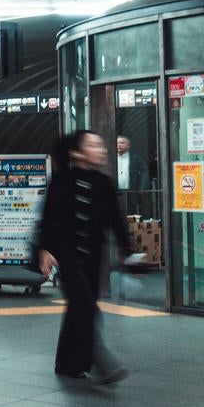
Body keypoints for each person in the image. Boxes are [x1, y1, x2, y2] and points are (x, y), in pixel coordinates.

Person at [37, 129, 141, 383]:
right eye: (93, 145)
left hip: (94, 257)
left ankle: (67, 363)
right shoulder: (62, 181)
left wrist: (128, 252)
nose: (102, 150)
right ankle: (99, 360)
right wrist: (44, 250)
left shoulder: (104, 183)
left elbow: (116, 222)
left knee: (77, 308)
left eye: (101, 145)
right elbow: (48, 219)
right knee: (86, 306)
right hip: (66, 255)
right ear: (77, 153)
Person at [116, 135, 149, 217]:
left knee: (132, 215)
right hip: (116, 192)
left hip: (132, 192)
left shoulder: (136, 159)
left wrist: (142, 188)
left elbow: (145, 172)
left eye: (122, 143)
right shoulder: (111, 158)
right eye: (117, 143)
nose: (118, 145)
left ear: (128, 146)